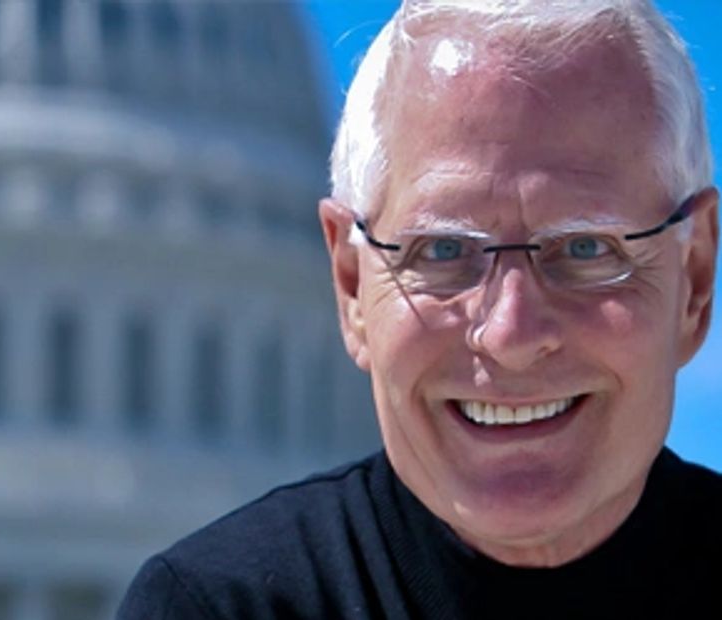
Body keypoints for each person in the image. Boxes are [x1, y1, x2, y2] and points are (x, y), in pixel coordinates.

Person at [117, 1, 722, 618]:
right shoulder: (220, 608)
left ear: (695, 278)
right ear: (352, 284)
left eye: (586, 248)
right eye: (443, 250)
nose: (511, 334)